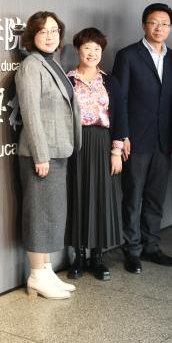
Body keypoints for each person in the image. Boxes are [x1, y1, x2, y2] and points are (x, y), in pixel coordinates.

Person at [15, 11, 82, 299]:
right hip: (40, 154)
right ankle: (36, 275)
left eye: (54, 30)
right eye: (43, 31)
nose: (50, 36)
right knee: (39, 214)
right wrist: (40, 155)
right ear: (32, 36)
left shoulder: (51, 63)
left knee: (51, 213)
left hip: (58, 150)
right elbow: (30, 113)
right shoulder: (31, 66)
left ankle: (46, 271)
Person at [112, 3, 172, 273]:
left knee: (155, 198)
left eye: (164, 23)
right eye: (154, 22)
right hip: (136, 140)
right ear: (143, 25)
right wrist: (123, 134)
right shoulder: (128, 55)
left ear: (170, 28)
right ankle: (132, 250)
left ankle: (152, 246)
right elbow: (119, 99)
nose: (159, 28)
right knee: (133, 197)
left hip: (164, 141)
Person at [65, 27, 129, 281]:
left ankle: (98, 258)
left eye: (97, 48)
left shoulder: (110, 81)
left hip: (103, 144)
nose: (92, 53)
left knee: (102, 198)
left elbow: (121, 117)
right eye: (87, 48)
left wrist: (116, 151)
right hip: (76, 144)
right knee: (78, 196)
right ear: (78, 50)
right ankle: (79, 257)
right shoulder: (67, 80)